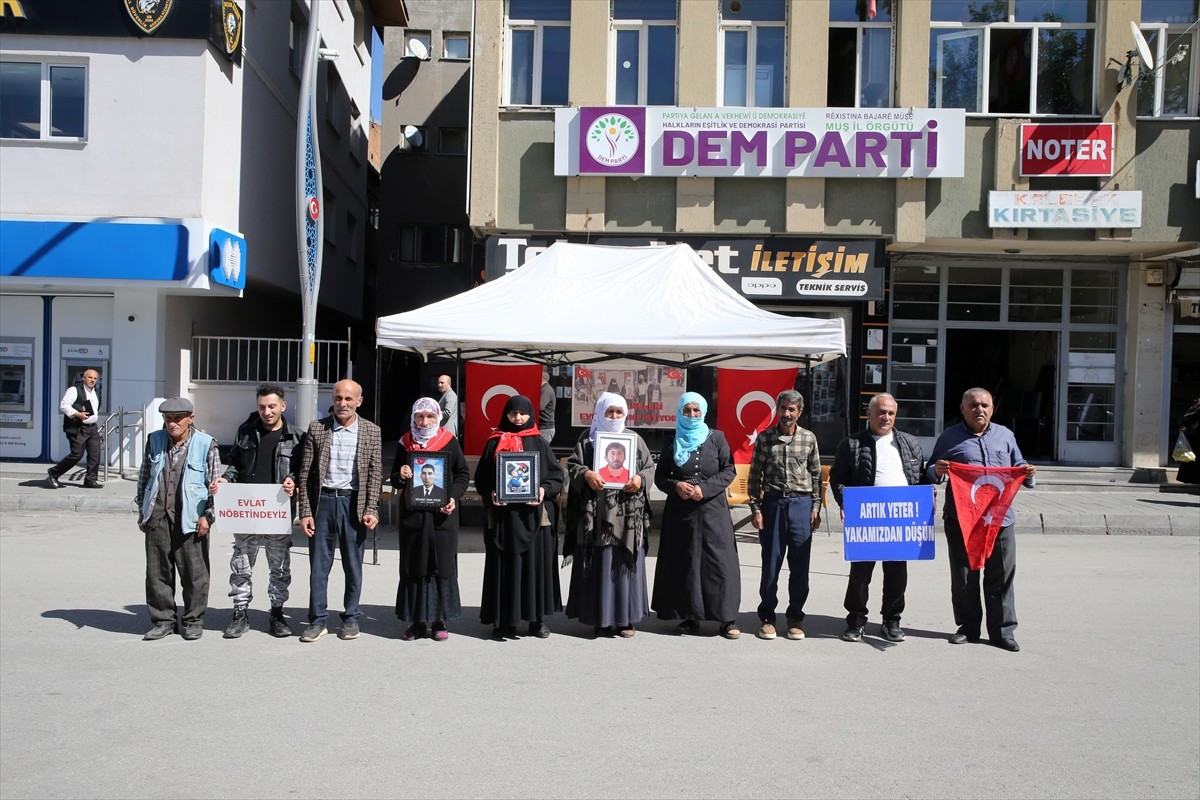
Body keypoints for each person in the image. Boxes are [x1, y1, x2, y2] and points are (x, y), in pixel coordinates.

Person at [928, 387, 1036, 653]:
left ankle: (1003, 632)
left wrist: (1028, 473)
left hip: (1000, 519)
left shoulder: (1005, 435)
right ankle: (968, 628)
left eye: (985, 405)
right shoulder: (950, 437)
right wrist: (937, 470)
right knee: (964, 576)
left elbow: (1019, 465)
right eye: (973, 405)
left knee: (1002, 575)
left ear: (992, 409)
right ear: (963, 409)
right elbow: (930, 470)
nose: (979, 409)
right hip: (962, 519)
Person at [830, 393, 926, 643]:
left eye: (891, 413)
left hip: (900, 518)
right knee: (860, 573)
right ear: (869, 414)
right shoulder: (851, 444)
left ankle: (891, 621)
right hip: (866, 518)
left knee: (897, 573)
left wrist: (928, 497)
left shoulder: (910, 443)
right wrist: (845, 502)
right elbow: (837, 477)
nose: (886, 417)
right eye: (881, 412)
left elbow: (920, 477)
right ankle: (856, 620)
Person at [213, 383, 304, 639]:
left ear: (283, 406)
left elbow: (303, 471)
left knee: (280, 568)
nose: (267, 411)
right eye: (262, 407)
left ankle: (277, 614)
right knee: (241, 565)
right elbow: (234, 465)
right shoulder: (245, 432)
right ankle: (240, 613)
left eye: (272, 406)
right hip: (247, 510)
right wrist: (225, 480)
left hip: (277, 513)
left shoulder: (297, 437)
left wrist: (293, 480)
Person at [296, 379, 382, 643]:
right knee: (318, 567)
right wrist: (305, 511)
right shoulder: (317, 428)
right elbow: (305, 473)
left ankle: (351, 617)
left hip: (352, 504)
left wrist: (371, 508)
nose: (342, 403)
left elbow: (375, 474)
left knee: (353, 566)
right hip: (322, 503)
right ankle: (317, 620)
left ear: (359, 401)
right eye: (338, 398)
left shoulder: (371, 431)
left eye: (348, 399)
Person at [650, 392, 742, 639]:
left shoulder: (717, 437)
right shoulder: (673, 440)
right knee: (687, 563)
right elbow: (660, 477)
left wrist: (705, 488)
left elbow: (729, 470)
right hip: (681, 513)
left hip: (713, 510)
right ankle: (690, 616)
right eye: (687, 410)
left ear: (703, 412)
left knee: (719, 562)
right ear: (680, 412)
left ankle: (726, 619)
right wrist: (676, 486)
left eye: (696, 410)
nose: (691, 415)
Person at [474, 395, 564, 639]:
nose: (518, 418)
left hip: (534, 517)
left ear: (530, 415)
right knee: (505, 569)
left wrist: (543, 490)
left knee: (534, 569)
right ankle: (505, 621)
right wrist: (492, 493)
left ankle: (536, 620)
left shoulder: (539, 441)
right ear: (506, 415)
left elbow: (556, 476)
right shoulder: (494, 442)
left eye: (522, 414)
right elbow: (482, 479)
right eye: (513, 413)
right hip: (503, 518)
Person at [564, 393, 653, 637]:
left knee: (624, 563)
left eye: (618, 412)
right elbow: (572, 465)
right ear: (599, 413)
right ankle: (600, 618)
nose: (614, 416)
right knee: (600, 564)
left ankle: (626, 620)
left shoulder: (635, 439)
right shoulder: (588, 440)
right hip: (596, 514)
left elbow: (648, 467)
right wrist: (586, 474)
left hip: (627, 517)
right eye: (609, 412)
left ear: (626, 413)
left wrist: (640, 479)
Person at [135, 397, 221, 641]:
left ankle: (193, 620)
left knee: (195, 574)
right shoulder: (154, 440)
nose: (172, 423)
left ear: (190, 418)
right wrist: (143, 511)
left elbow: (215, 485)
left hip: (192, 519)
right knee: (157, 573)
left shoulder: (206, 444)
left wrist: (208, 516)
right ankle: (163, 620)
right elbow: (144, 478)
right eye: (168, 418)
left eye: (178, 418)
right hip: (157, 515)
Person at [391, 397, 470, 641]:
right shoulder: (406, 442)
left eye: (430, 416)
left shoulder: (448, 441)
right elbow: (395, 478)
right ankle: (416, 622)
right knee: (414, 565)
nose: (424, 421)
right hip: (413, 517)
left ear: (438, 417)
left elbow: (462, 474)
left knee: (440, 565)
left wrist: (453, 497)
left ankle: (438, 620)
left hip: (442, 518)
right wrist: (401, 474)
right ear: (414, 417)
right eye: (420, 416)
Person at [746, 389, 821, 642]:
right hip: (774, 504)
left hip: (801, 505)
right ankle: (767, 617)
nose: (787, 414)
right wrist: (756, 510)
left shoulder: (808, 438)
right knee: (771, 563)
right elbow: (754, 476)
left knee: (800, 565)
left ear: (800, 412)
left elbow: (816, 475)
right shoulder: (765, 438)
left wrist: (815, 507)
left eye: (792, 409)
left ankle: (795, 617)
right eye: (783, 408)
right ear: (777, 410)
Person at [47, 368, 102, 489]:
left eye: (95, 378)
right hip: (78, 427)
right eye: (90, 377)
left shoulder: (96, 392)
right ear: (84, 378)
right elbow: (63, 405)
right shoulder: (74, 390)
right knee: (76, 454)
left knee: (95, 454)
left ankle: (90, 480)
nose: (92, 380)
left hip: (92, 428)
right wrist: (77, 414)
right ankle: (54, 473)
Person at [1176, 397, 1200, 484]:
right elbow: (1186, 421)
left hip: (1195, 437)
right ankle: (1192, 479)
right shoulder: (1194, 410)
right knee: (1192, 459)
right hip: (1194, 438)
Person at [539, 367, 556, 444]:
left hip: (545, 427)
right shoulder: (544, 389)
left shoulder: (546, 390)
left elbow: (540, 406)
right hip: (543, 427)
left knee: (542, 448)